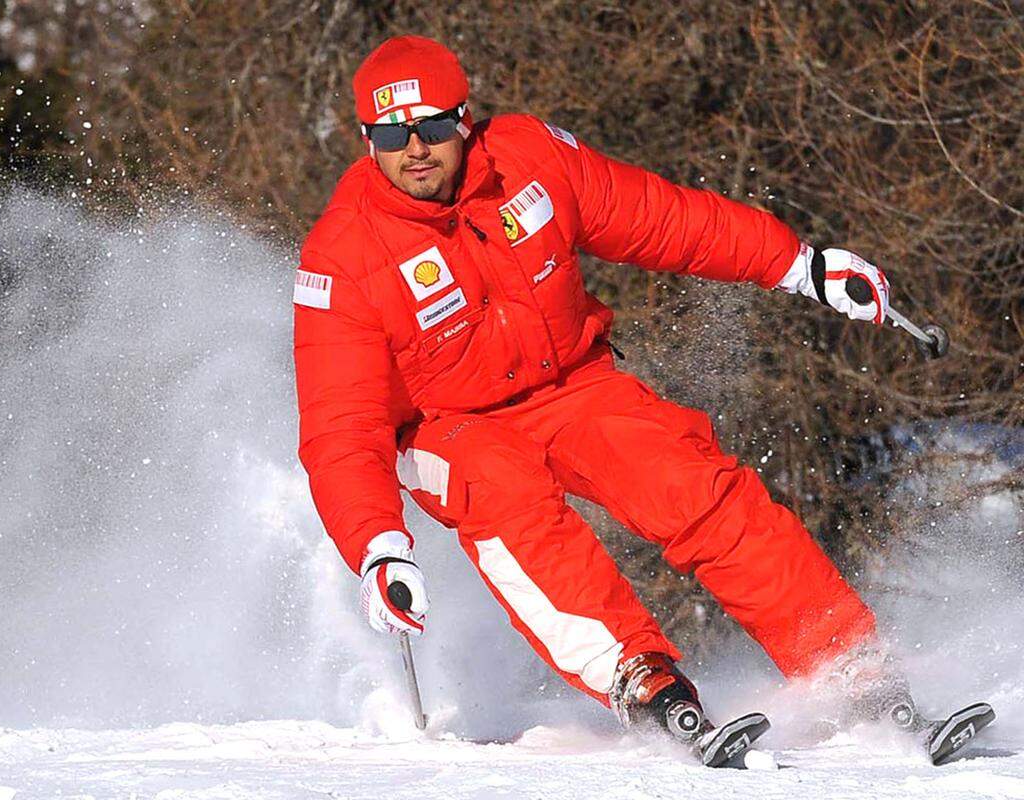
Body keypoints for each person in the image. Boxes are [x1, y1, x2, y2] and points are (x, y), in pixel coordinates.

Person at [292, 35, 909, 746]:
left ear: (464, 120)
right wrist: (379, 547)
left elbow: (661, 217)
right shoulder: (344, 254)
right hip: (445, 428)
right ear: (367, 139)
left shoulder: (529, 162)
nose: (416, 150)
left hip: (572, 388)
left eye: (432, 127)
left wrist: (801, 265)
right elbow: (342, 425)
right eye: (392, 135)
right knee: (502, 488)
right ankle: (641, 676)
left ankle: (849, 669)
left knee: (691, 483)